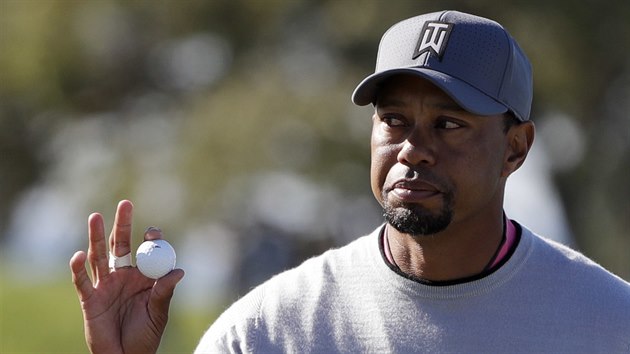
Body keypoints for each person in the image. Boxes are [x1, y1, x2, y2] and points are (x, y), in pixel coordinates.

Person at [70, 10, 630, 353]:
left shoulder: (609, 323)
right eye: (393, 120)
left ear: (516, 147)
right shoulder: (269, 331)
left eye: (450, 124)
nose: (413, 148)